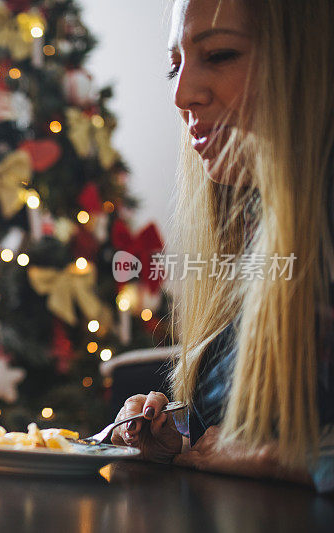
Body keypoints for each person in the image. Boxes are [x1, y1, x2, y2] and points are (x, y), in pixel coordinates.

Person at [111, 0, 334, 491]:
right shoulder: (258, 230)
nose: (182, 94)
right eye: (175, 65)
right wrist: (181, 439)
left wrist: (296, 458)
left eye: (221, 54)